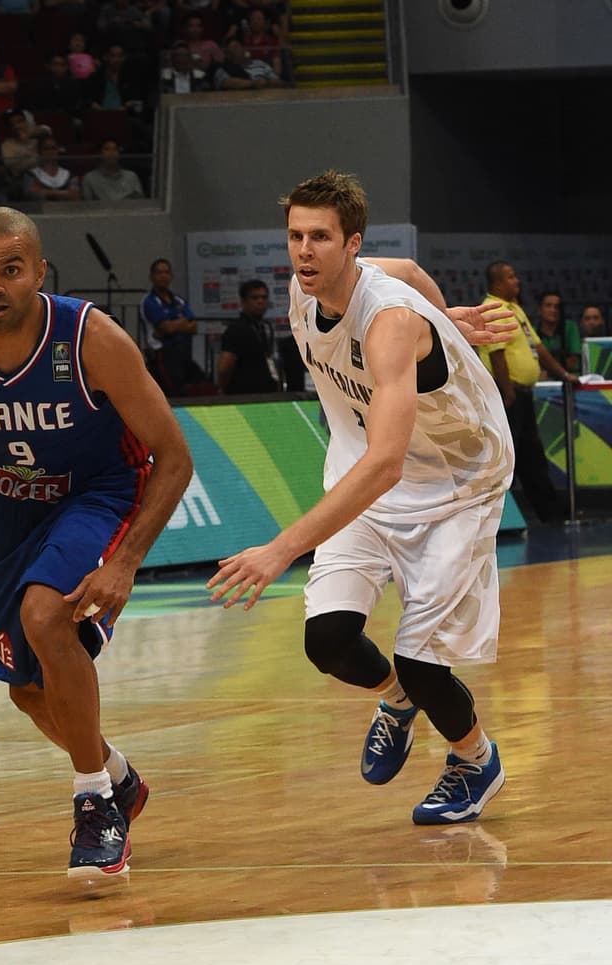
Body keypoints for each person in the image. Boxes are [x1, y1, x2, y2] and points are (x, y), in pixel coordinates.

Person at [0, 207, 193, 880]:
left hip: (98, 494)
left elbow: (174, 456)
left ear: (39, 272)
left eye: (11, 271)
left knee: (45, 613)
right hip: (11, 508)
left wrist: (126, 561)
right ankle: (118, 779)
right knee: (27, 690)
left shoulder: (90, 337)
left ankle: (93, 805)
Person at [208, 170, 518, 827]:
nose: (303, 251)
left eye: (320, 237)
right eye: (295, 236)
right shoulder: (308, 288)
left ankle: (474, 759)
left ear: (351, 242)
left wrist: (280, 550)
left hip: (456, 483)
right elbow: (406, 265)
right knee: (328, 641)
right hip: (370, 470)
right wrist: (450, 319)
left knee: (423, 659)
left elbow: (386, 463)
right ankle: (394, 700)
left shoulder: (388, 322)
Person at [477, 261, 575, 524]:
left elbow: (539, 349)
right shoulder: (493, 308)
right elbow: (496, 353)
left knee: (531, 457)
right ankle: (489, 518)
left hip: (522, 395)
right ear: (497, 283)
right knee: (505, 457)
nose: (517, 281)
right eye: (511, 277)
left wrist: (564, 374)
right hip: (508, 395)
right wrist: (507, 393)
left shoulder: (515, 309)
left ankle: (552, 515)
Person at [139, 257, 200, 395]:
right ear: (152, 276)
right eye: (159, 272)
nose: (163, 276)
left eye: (166, 272)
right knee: (172, 392)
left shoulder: (179, 300)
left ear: (171, 275)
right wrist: (182, 323)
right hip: (162, 353)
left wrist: (173, 325)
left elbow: (194, 326)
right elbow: (165, 328)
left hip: (183, 352)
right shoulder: (149, 301)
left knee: (195, 386)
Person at [217, 278, 280, 394]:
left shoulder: (265, 327)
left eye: (264, 297)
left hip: (266, 392)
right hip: (243, 394)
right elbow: (224, 367)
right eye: (255, 298)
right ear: (243, 301)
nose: (260, 301)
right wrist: (222, 389)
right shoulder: (235, 329)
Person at [80, 138, 145, 202]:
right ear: (100, 153)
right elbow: (87, 206)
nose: (112, 153)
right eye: (107, 149)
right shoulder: (89, 178)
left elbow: (140, 203)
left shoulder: (131, 176)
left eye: (115, 149)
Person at [534, 290, 581, 374]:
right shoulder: (532, 331)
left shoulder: (570, 327)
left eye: (557, 307)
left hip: (569, 378)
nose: (553, 310)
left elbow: (573, 360)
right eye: (548, 306)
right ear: (539, 309)